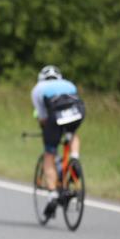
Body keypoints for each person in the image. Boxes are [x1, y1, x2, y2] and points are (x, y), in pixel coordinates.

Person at [31, 65, 85, 219]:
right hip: (78, 112)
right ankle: (74, 158)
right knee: (72, 133)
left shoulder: (37, 89)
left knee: (49, 154)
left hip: (54, 116)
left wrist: (46, 132)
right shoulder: (69, 84)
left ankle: (53, 194)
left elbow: (42, 116)